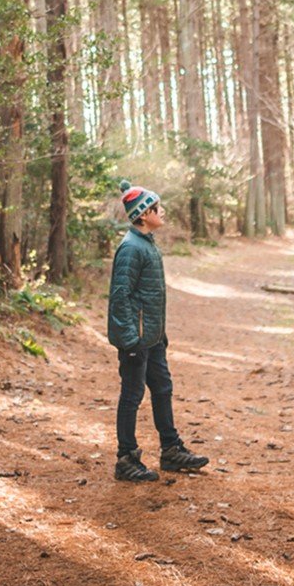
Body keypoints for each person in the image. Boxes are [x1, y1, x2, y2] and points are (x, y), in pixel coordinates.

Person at [106, 181, 209, 482]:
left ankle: (171, 449)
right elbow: (120, 297)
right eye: (156, 208)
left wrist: (158, 335)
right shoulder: (130, 248)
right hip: (136, 340)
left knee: (162, 388)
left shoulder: (147, 243)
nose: (162, 212)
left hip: (153, 337)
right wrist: (130, 340)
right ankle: (126, 459)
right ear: (143, 214)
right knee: (132, 395)